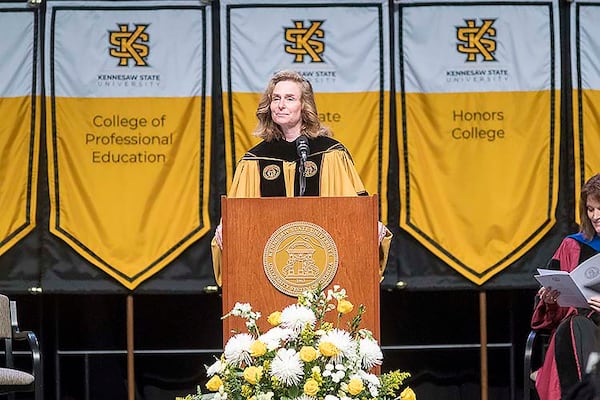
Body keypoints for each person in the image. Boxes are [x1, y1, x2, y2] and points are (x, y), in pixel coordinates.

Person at [211, 69, 392, 285]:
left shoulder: (330, 154)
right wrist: (226, 228)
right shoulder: (254, 161)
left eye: (289, 98)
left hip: (325, 271)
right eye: (275, 98)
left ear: (304, 106)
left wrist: (369, 224)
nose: (281, 105)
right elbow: (238, 218)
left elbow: (352, 209)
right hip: (267, 275)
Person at [532, 173, 600, 400]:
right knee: (576, 324)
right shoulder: (572, 246)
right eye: (590, 210)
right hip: (577, 332)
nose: (595, 216)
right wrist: (551, 301)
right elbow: (550, 318)